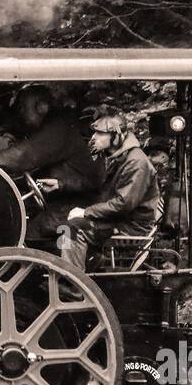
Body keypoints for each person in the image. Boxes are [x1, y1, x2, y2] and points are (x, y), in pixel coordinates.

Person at [0, 85, 104, 238]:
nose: (21, 113)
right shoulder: (55, 126)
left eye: (24, 108)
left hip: (79, 205)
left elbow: (23, 156)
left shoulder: (57, 129)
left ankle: (46, 260)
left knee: (27, 233)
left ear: (41, 107)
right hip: (67, 199)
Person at [60, 109, 162, 272]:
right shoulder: (115, 156)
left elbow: (123, 203)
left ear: (115, 136)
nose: (94, 138)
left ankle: (71, 287)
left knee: (71, 228)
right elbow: (95, 185)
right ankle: (75, 272)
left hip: (130, 226)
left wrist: (86, 212)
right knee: (64, 226)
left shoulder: (136, 162)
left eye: (100, 134)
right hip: (117, 220)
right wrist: (60, 185)